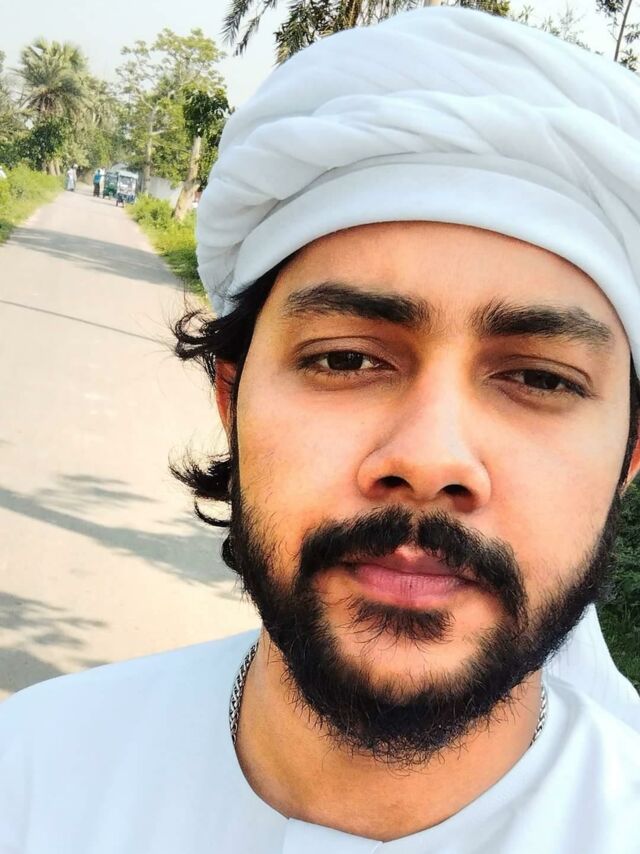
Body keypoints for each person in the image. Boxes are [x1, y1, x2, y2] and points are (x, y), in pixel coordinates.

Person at [0, 6, 639, 852]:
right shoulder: (33, 774)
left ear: (629, 456)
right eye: (345, 359)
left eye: (539, 378)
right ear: (231, 400)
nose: (429, 458)